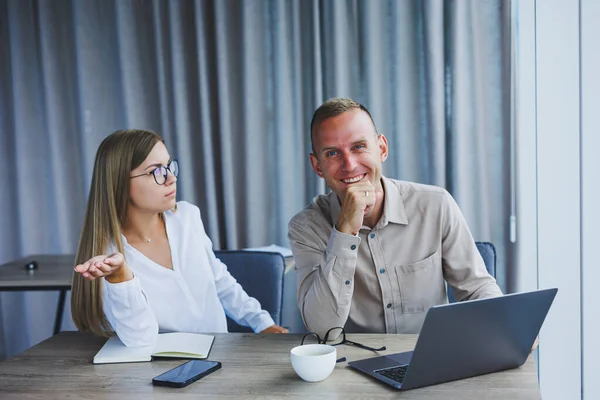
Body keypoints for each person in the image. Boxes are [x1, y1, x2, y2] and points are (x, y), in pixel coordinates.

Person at [288, 98, 503, 337]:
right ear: (317, 166)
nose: (349, 165)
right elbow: (324, 330)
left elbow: (476, 289)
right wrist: (344, 231)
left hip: (429, 357)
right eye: (332, 153)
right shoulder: (305, 227)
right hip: (351, 364)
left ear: (381, 149)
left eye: (359, 146)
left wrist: (505, 325)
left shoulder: (435, 205)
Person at [72, 129, 288, 347]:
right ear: (119, 181)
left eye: (168, 166)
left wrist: (261, 322)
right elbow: (139, 340)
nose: (171, 178)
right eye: (155, 171)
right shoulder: (109, 259)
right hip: (162, 369)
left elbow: (219, 280)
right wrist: (121, 279)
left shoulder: (187, 217)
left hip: (219, 356)